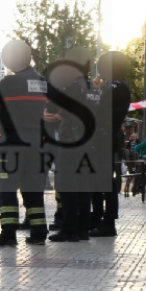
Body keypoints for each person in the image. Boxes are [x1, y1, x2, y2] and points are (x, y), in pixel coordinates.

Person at [0, 39, 50, 246]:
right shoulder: (42, 82)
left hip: (13, 144)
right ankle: (39, 232)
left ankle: (9, 234)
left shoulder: (10, 83)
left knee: (6, 188)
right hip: (37, 144)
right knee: (33, 188)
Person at [42, 46, 98, 243]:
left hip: (71, 141)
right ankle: (82, 230)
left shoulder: (73, 87)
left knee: (67, 185)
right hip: (89, 142)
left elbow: (53, 108)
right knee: (83, 186)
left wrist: (55, 114)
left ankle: (68, 230)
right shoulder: (94, 88)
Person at [89, 51, 133, 238]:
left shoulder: (116, 88)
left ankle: (106, 221)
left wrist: (97, 90)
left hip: (105, 138)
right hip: (108, 137)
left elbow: (99, 109)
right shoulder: (119, 87)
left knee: (104, 181)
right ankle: (100, 218)